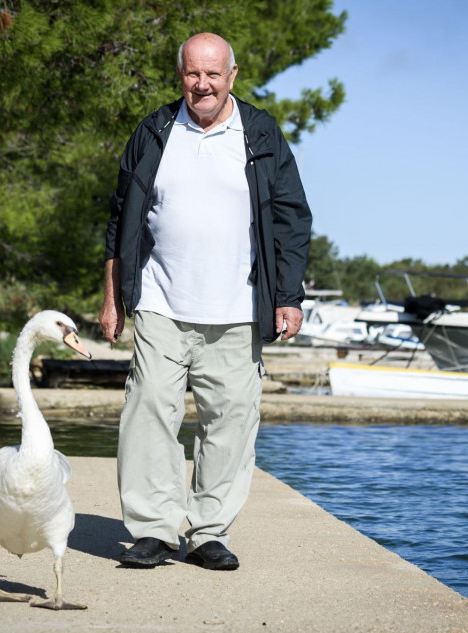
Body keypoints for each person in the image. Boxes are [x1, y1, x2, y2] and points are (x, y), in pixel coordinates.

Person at [99, 32, 312, 570]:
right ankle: (154, 529)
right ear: (181, 77)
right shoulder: (154, 131)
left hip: (238, 309)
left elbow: (291, 220)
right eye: (194, 74)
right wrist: (111, 297)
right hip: (160, 301)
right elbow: (119, 219)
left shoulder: (260, 133)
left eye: (213, 74)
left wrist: (288, 295)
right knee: (147, 413)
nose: (203, 84)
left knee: (231, 423)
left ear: (232, 76)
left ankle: (209, 532)